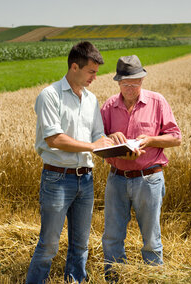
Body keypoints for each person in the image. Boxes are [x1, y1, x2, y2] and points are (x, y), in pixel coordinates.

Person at [27, 41, 114, 284]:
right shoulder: (50, 95)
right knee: (49, 245)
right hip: (57, 179)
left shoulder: (91, 100)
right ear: (74, 67)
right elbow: (54, 139)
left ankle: (75, 281)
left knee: (80, 245)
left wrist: (112, 143)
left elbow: (97, 134)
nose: (94, 78)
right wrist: (92, 146)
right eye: (91, 72)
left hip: (86, 179)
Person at [100, 55, 182, 281]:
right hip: (116, 179)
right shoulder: (109, 105)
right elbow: (96, 138)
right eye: (126, 84)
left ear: (142, 79)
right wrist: (109, 136)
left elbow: (175, 138)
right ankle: (115, 278)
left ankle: (153, 278)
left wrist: (150, 140)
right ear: (118, 82)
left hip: (149, 179)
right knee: (112, 237)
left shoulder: (157, 102)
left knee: (151, 239)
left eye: (135, 83)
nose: (130, 88)